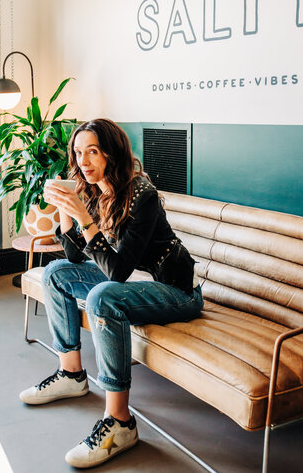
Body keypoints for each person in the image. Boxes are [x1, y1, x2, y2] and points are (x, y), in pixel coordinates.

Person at [19, 118, 203, 469]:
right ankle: (72, 375)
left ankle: (120, 422)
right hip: (133, 285)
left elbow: (117, 272)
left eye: (93, 151)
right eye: (78, 152)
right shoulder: (92, 190)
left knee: (103, 295)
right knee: (57, 272)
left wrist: (83, 218)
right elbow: (74, 257)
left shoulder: (142, 195)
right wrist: (67, 211)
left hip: (175, 291)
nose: (84, 160)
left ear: (112, 153)